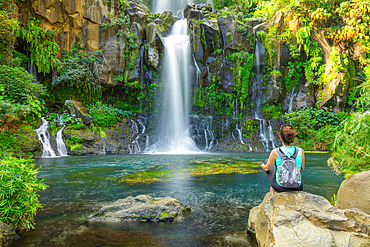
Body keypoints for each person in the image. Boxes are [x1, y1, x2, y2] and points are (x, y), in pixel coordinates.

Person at [261, 125, 305, 192]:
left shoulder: (275, 152)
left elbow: (266, 168)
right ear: (293, 137)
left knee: (267, 161)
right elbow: (302, 168)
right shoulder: (300, 151)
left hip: (281, 187)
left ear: (280, 137)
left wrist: (262, 165)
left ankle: (274, 188)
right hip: (298, 187)